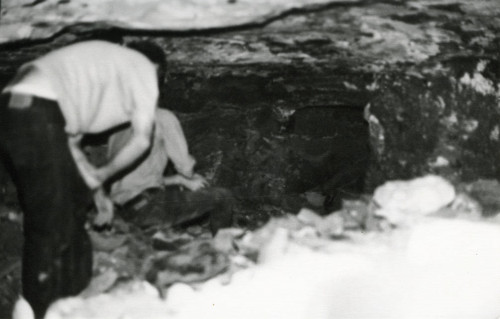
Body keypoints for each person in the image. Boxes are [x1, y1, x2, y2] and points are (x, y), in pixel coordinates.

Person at [0, 40, 164, 319]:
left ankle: (71, 300)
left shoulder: (92, 78)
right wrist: (103, 174)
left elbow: (71, 147)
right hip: (37, 110)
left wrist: (97, 190)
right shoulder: (145, 67)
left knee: (70, 207)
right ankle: (35, 310)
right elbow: (141, 140)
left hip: (15, 110)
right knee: (51, 222)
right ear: (160, 72)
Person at [106, 108, 234, 236]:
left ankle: (157, 235)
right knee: (222, 197)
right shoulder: (161, 116)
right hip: (150, 208)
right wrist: (191, 175)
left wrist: (180, 180)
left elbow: (137, 180)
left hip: (123, 212)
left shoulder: (119, 127)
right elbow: (185, 168)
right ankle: (225, 248)